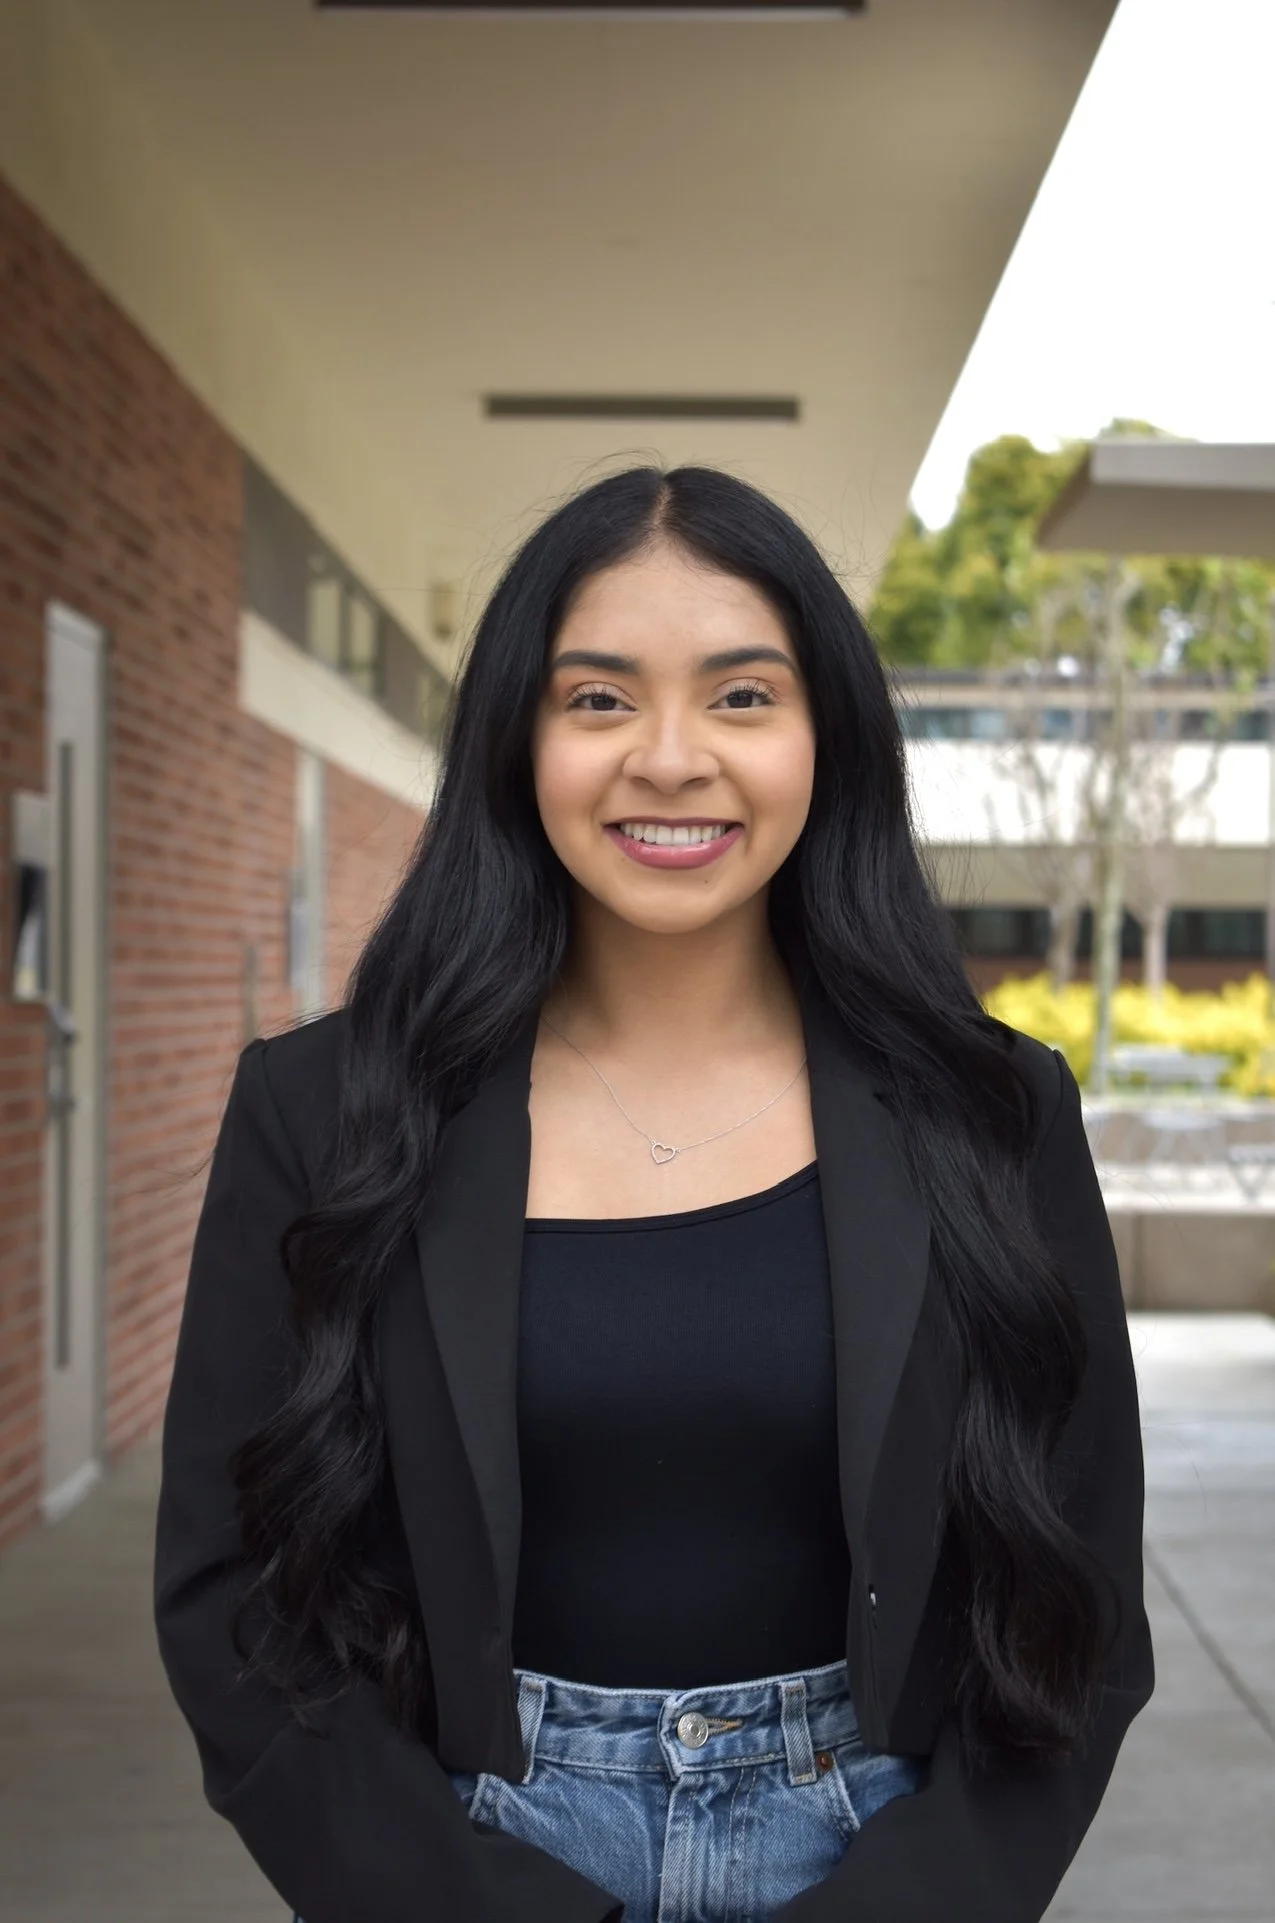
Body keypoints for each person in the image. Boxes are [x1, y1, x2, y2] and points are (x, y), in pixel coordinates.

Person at [153, 464, 1153, 1923]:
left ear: (829, 738)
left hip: (874, 1854)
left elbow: (1079, 1590)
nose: (671, 757)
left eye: (742, 696)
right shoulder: (328, 1109)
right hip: (475, 1851)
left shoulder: (991, 1109)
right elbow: (233, 1594)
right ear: (516, 739)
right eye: (599, 698)